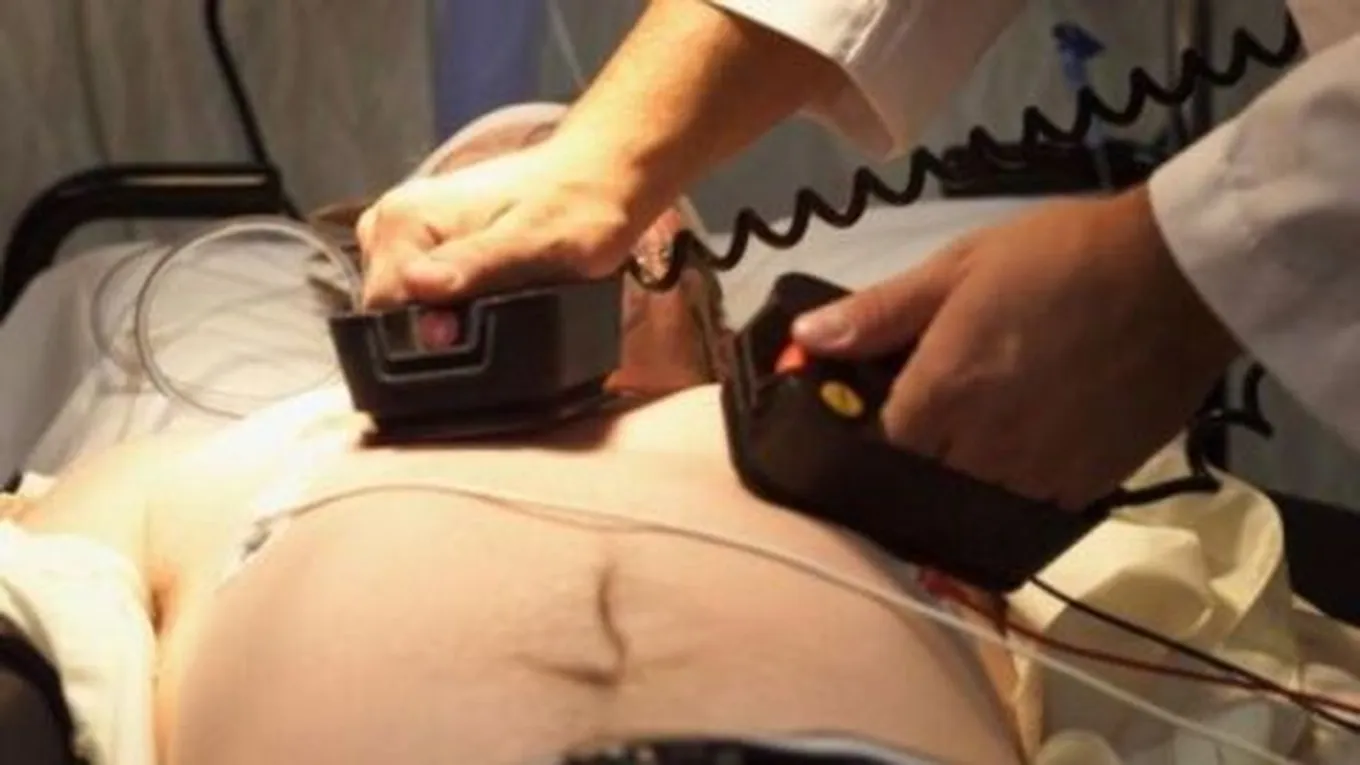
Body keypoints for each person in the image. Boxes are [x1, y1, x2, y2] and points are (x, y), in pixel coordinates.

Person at [356, 0, 1360, 513]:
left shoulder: (848, 488)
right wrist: (600, 158)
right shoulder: (303, 452)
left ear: (719, 333)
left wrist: (1195, 255)